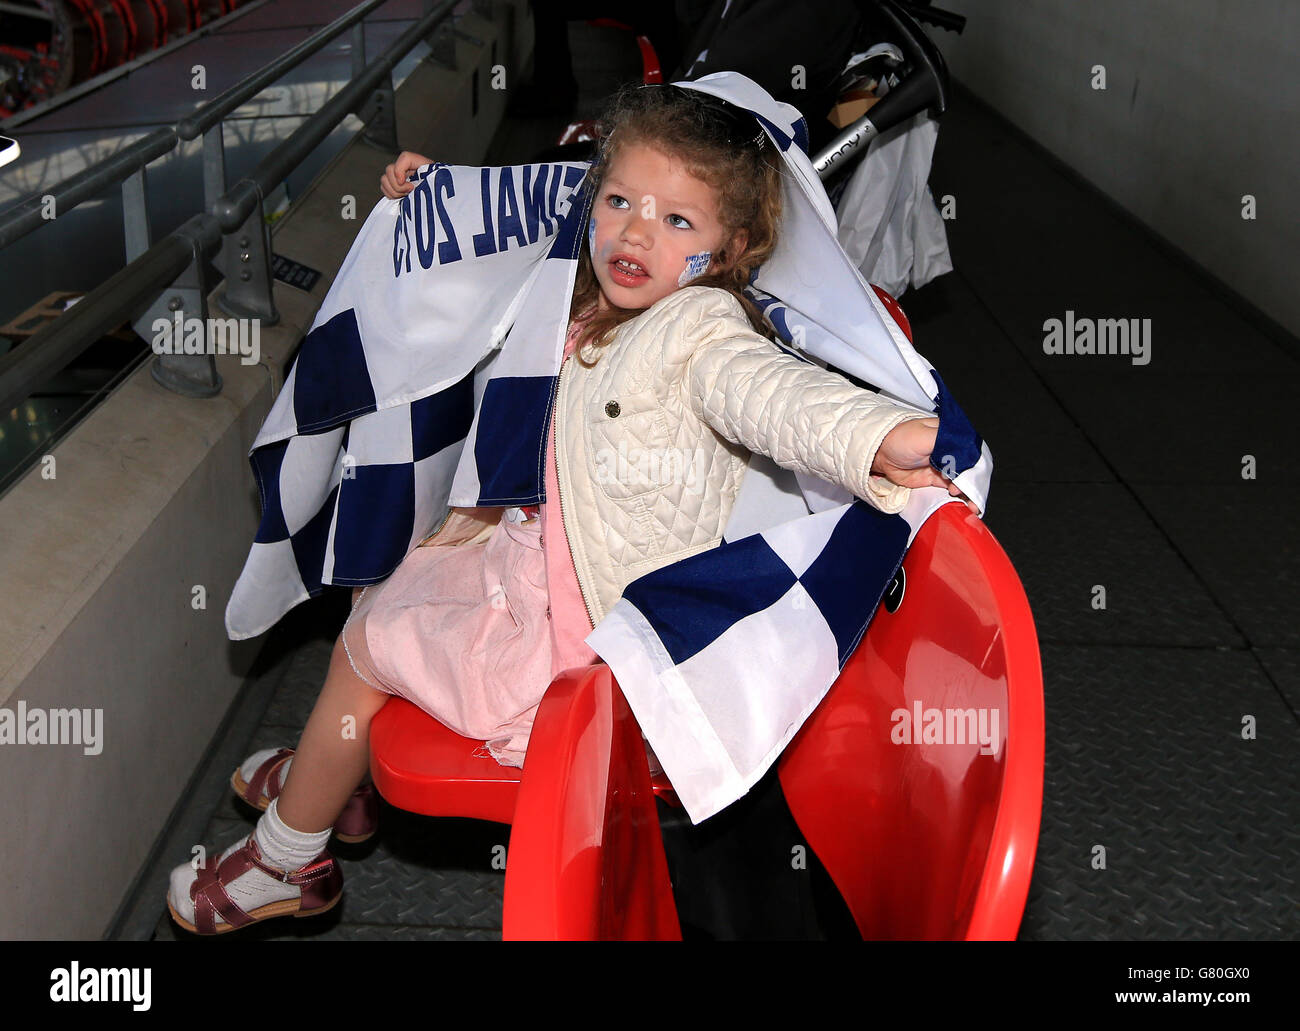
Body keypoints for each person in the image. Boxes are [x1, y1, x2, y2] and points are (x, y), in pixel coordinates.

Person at [167, 81, 966, 935]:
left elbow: (773, 395)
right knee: (386, 587)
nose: (634, 230)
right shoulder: (603, 284)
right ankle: (334, 775)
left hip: (578, 642)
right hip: (539, 560)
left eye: (677, 221)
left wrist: (875, 437)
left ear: (733, 248)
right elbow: (530, 221)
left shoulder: (699, 331)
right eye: (620, 200)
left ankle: (294, 854)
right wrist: (443, 192)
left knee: (366, 646)